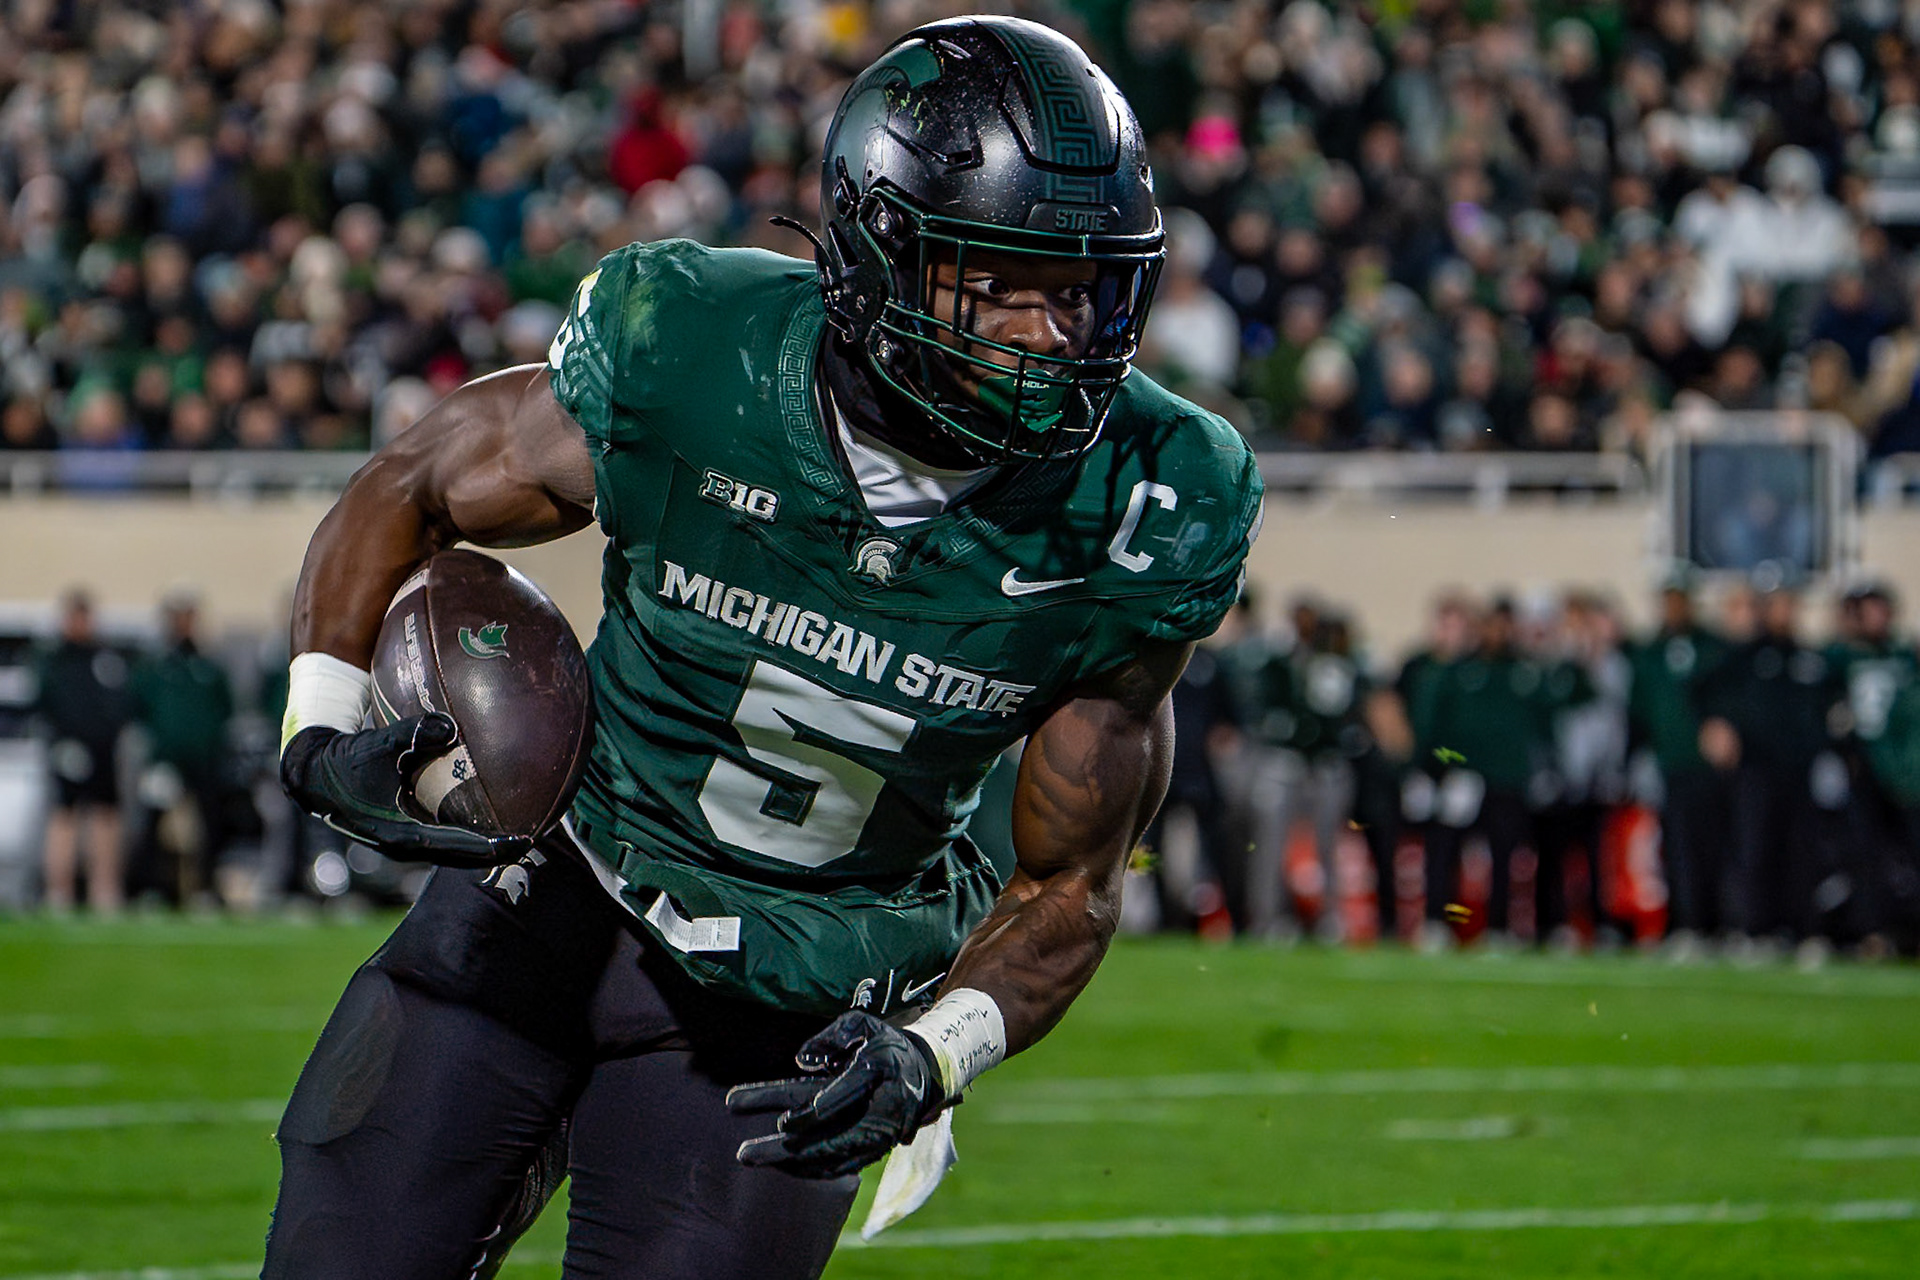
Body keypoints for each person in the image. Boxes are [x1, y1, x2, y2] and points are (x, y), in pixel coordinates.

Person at [266, 18, 1261, 1280]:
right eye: (1003, 281)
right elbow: (414, 480)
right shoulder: (696, 344)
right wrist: (319, 722)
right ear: (883, 252)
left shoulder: (1144, 503)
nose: (1057, 332)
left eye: (1085, 285)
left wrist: (936, 1048)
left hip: (798, 985)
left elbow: (1071, 880)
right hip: (555, 885)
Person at [128, 591, 235, 906]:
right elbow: (139, 709)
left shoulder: (208, 667)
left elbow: (224, 710)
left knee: (209, 824)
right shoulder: (156, 667)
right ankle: (152, 889)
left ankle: (204, 887)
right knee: (154, 826)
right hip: (166, 760)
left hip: (203, 759)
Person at [32, 588, 133, 913]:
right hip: (68, 750)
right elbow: (45, 704)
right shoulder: (54, 660)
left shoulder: (104, 659)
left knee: (106, 820)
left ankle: (104, 890)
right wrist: (60, 743)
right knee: (65, 818)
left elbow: (120, 703)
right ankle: (59, 891)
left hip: (102, 751)